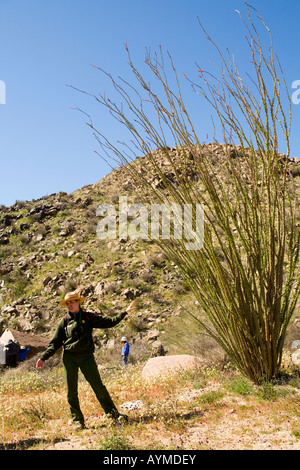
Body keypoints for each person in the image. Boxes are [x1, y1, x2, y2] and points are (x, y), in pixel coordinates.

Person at [36, 290, 135, 429]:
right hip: (69, 358)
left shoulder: (88, 317)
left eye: (72, 302)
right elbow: (55, 343)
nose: (70, 305)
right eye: (67, 303)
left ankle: (114, 415)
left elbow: (109, 322)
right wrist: (43, 358)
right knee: (72, 391)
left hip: (86, 357)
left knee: (98, 386)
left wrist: (124, 313)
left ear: (78, 302)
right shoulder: (64, 322)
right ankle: (78, 421)